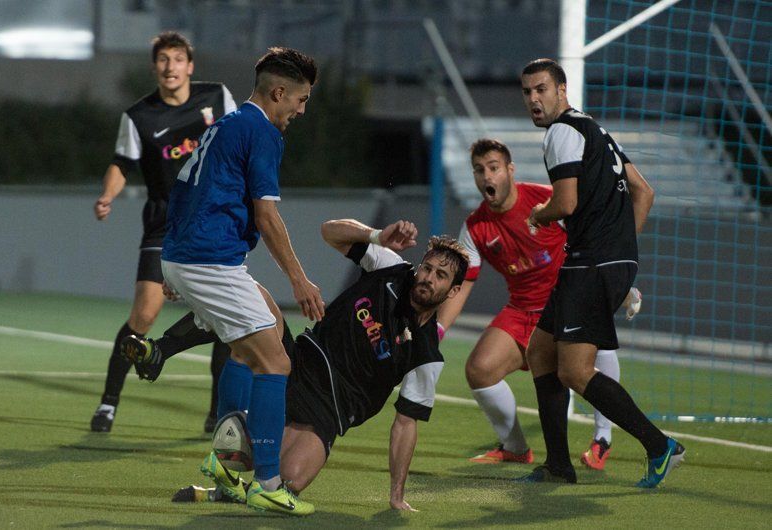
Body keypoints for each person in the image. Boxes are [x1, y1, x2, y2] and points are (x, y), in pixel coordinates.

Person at [127, 218, 470, 512]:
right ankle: (161, 350)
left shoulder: (426, 354)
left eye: (441, 275)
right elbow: (330, 232)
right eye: (427, 267)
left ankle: (225, 487)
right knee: (253, 298)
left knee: (288, 482)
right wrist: (376, 235)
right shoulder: (392, 269)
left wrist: (397, 494)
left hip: (330, 410)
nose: (428, 277)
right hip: (299, 361)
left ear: (453, 291)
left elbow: (405, 424)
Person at [154, 46, 324, 516]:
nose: (301, 110)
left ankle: (228, 466)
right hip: (209, 260)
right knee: (276, 363)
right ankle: (267, 482)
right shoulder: (262, 132)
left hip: (194, 256)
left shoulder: (225, 125)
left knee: (259, 330)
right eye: (301, 99)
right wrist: (301, 280)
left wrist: (176, 262)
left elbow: (184, 189)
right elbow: (267, 217)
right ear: (278, 92)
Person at [519, 58, 683, 488]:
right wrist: (623, 254)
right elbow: (643, 192)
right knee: (540, 351)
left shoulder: (562, 132)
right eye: (527, 92)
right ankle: (558, 464)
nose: (534, 99)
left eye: (541, 89)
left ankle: (659, 445)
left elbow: (566, 204)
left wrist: (539, 213)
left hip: (591, 261)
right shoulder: (596, 130)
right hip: (603, 259)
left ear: (562, 89)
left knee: (574, 370)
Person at [437, 138, 641, 471]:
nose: (487, 176)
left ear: (509, 170)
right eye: (479, 170)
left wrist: (622, 284)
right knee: (480, 369)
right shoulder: (474, 227)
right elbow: (464, 283)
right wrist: (439, 328)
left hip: (569, 299)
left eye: (493, 168)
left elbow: (596, 237)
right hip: (522, 309)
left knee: (594, 350)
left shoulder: (547, 200)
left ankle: (602, 438)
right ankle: (516, 447)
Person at [90, 31, 238, 434]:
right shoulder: (139, 116)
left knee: (226, 315)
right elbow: (122, 163)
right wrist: (107, 195)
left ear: (190, 66)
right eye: (163, 60)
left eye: (177, 59)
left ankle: (217, 412)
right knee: (144, 313)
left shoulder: (217, 98)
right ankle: (108, 403)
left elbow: (240, 141)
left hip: (213, 221)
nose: (170, 67)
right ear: (155, 67)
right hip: (165, 222)